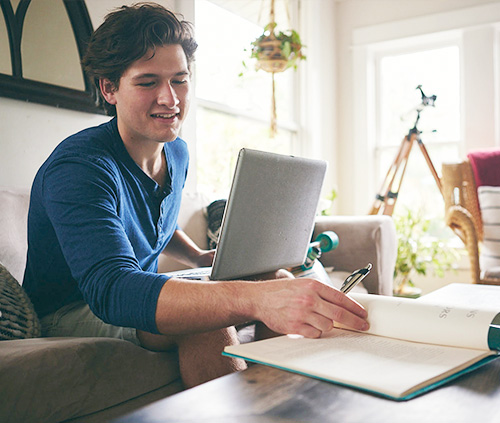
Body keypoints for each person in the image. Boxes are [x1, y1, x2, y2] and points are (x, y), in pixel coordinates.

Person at [23, 2, 369, 389]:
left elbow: (151, 220)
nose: (170, 99)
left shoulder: (175, 151)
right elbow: (112, 291)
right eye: (148, 82)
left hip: (132, 286)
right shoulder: (80, 168)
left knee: (274, 276)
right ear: (109, 89)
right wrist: (252, 300)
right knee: (205, 318)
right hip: (71, 309)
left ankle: (276, 400)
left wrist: (200, 258)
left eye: (180, 80)